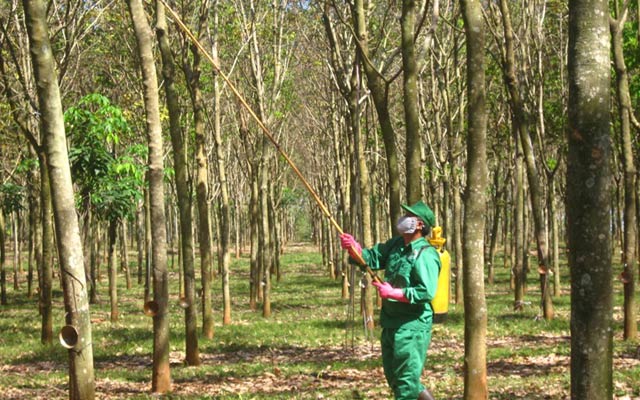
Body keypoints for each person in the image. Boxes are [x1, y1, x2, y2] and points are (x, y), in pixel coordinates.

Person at [340, 200, 440, 400]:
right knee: (395, 377)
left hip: (411, 326)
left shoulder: (425, 254)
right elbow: (371, 258)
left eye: (408, 217)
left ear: (420, 225)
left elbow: (426, 292)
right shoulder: (396, 245)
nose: (402, 219)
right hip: (390, 322)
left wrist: (393, 293)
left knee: (406, 382)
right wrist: (354, 248)